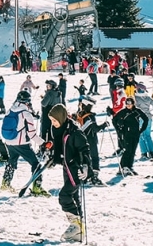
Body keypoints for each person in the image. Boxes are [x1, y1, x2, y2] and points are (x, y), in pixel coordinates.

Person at [46, 104, 89, 242]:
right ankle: (79, 230)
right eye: (51, 120)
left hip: (76, 169)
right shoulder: (57, 129)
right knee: (73, 196)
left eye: (54, 120)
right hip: (66, 167)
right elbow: (59, 148)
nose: (53, 123)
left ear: (61, 117)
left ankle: (75, 226)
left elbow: (85, 149)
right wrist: (53, 157)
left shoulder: (74, 132)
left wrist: (86, 166)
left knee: (64, 195)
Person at [0, 90, 48, 196]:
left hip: (9, 142)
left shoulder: (10, 109)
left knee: (12, 161)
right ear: (27, 102)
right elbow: (32, 134)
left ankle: (5, 183)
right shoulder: (26, 114)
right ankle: (37, 188)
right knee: (36, 164)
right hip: (22, 144)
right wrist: (43, 143)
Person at [112, 96, 149, 176]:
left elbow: (146, 119)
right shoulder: (123, 112)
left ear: (133, 104)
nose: (128, 105)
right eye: (127, 103)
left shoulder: (137, 111)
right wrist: (119, 130)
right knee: (127, 150)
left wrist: (141, 129)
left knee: (133, 150)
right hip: (126, 133)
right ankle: (123, 167)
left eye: (130, 103)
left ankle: (130, 166)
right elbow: (114, 120)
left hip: (135, 133)